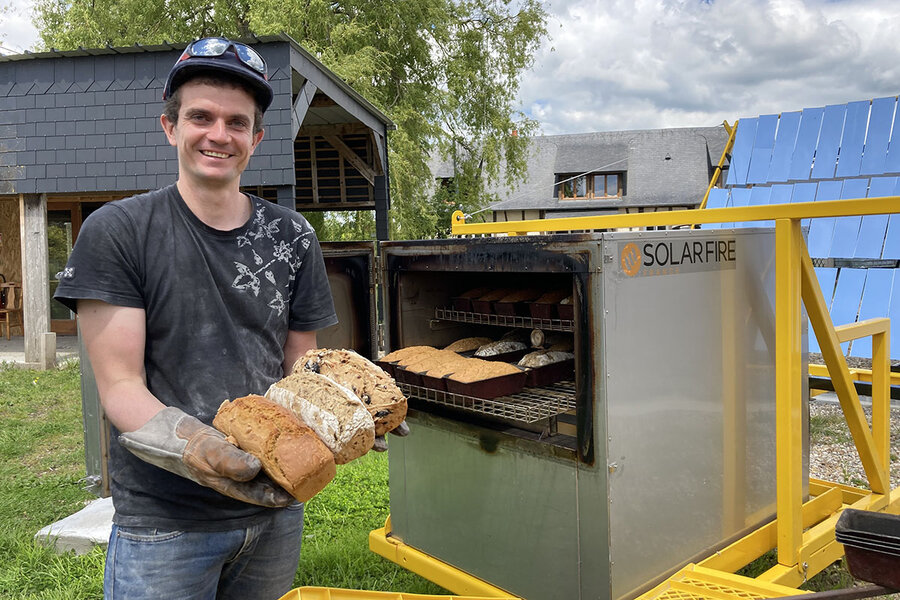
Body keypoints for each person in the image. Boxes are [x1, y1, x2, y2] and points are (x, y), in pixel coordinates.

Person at [54, 37, 339, 600]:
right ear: (170, 127)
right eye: (200, 117)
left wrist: (339, 415)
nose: (218, 135)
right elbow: (120, 386)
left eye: (237, 123)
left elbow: (299, 365)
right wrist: (196, 448)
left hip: (274, 508)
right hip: (165, 520)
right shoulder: (119, 232)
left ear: (255, 139)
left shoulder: (293, 236)